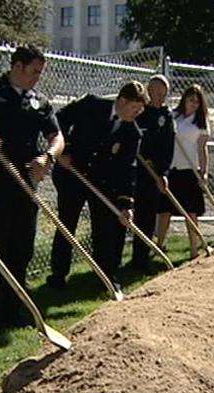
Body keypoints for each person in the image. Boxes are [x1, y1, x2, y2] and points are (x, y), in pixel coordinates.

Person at [0, 46, 65, 330]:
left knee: (21, 248)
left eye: (40, 73)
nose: (37, 78)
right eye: (33, 72)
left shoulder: (38, 102)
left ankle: (15, 310)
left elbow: (57, 136)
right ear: (17, 66)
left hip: (26, 185)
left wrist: (48, 157)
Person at [46, 81, 148, 292]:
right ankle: (58, 274)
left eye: (140, 110)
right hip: (72, 173)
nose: (136, 114)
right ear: (122, 101)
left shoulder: (133, 133)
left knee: (105, 228)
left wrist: (126, 203)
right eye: (134, 108)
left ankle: (106, 275)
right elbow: (58, 121)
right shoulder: (91, 104)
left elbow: (127, 168)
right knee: (67, 223)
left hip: (102, 183)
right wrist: (64, 151)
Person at [156, 84, 211, 258]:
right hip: (171, 168)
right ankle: (159, 245)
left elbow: (203, 149)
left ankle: (194, 249)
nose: (193, 104)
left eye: (197, 101)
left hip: (189, 170)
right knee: (165, 210)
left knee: (191, 211)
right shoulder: (173, 116)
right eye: (190, 100)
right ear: (184, 99)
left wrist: (204, 172)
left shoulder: (200, 122)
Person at [132, 74, 175, 268]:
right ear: (149, 91)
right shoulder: (139, 113)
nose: (160, 98)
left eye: (163, 94)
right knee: (132, 215)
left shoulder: (166, 116)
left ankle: (142, 258)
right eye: (157, 93)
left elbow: (168, 148)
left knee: (147, 217)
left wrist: (163, 173)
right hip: (136, 171)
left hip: (155, 175)